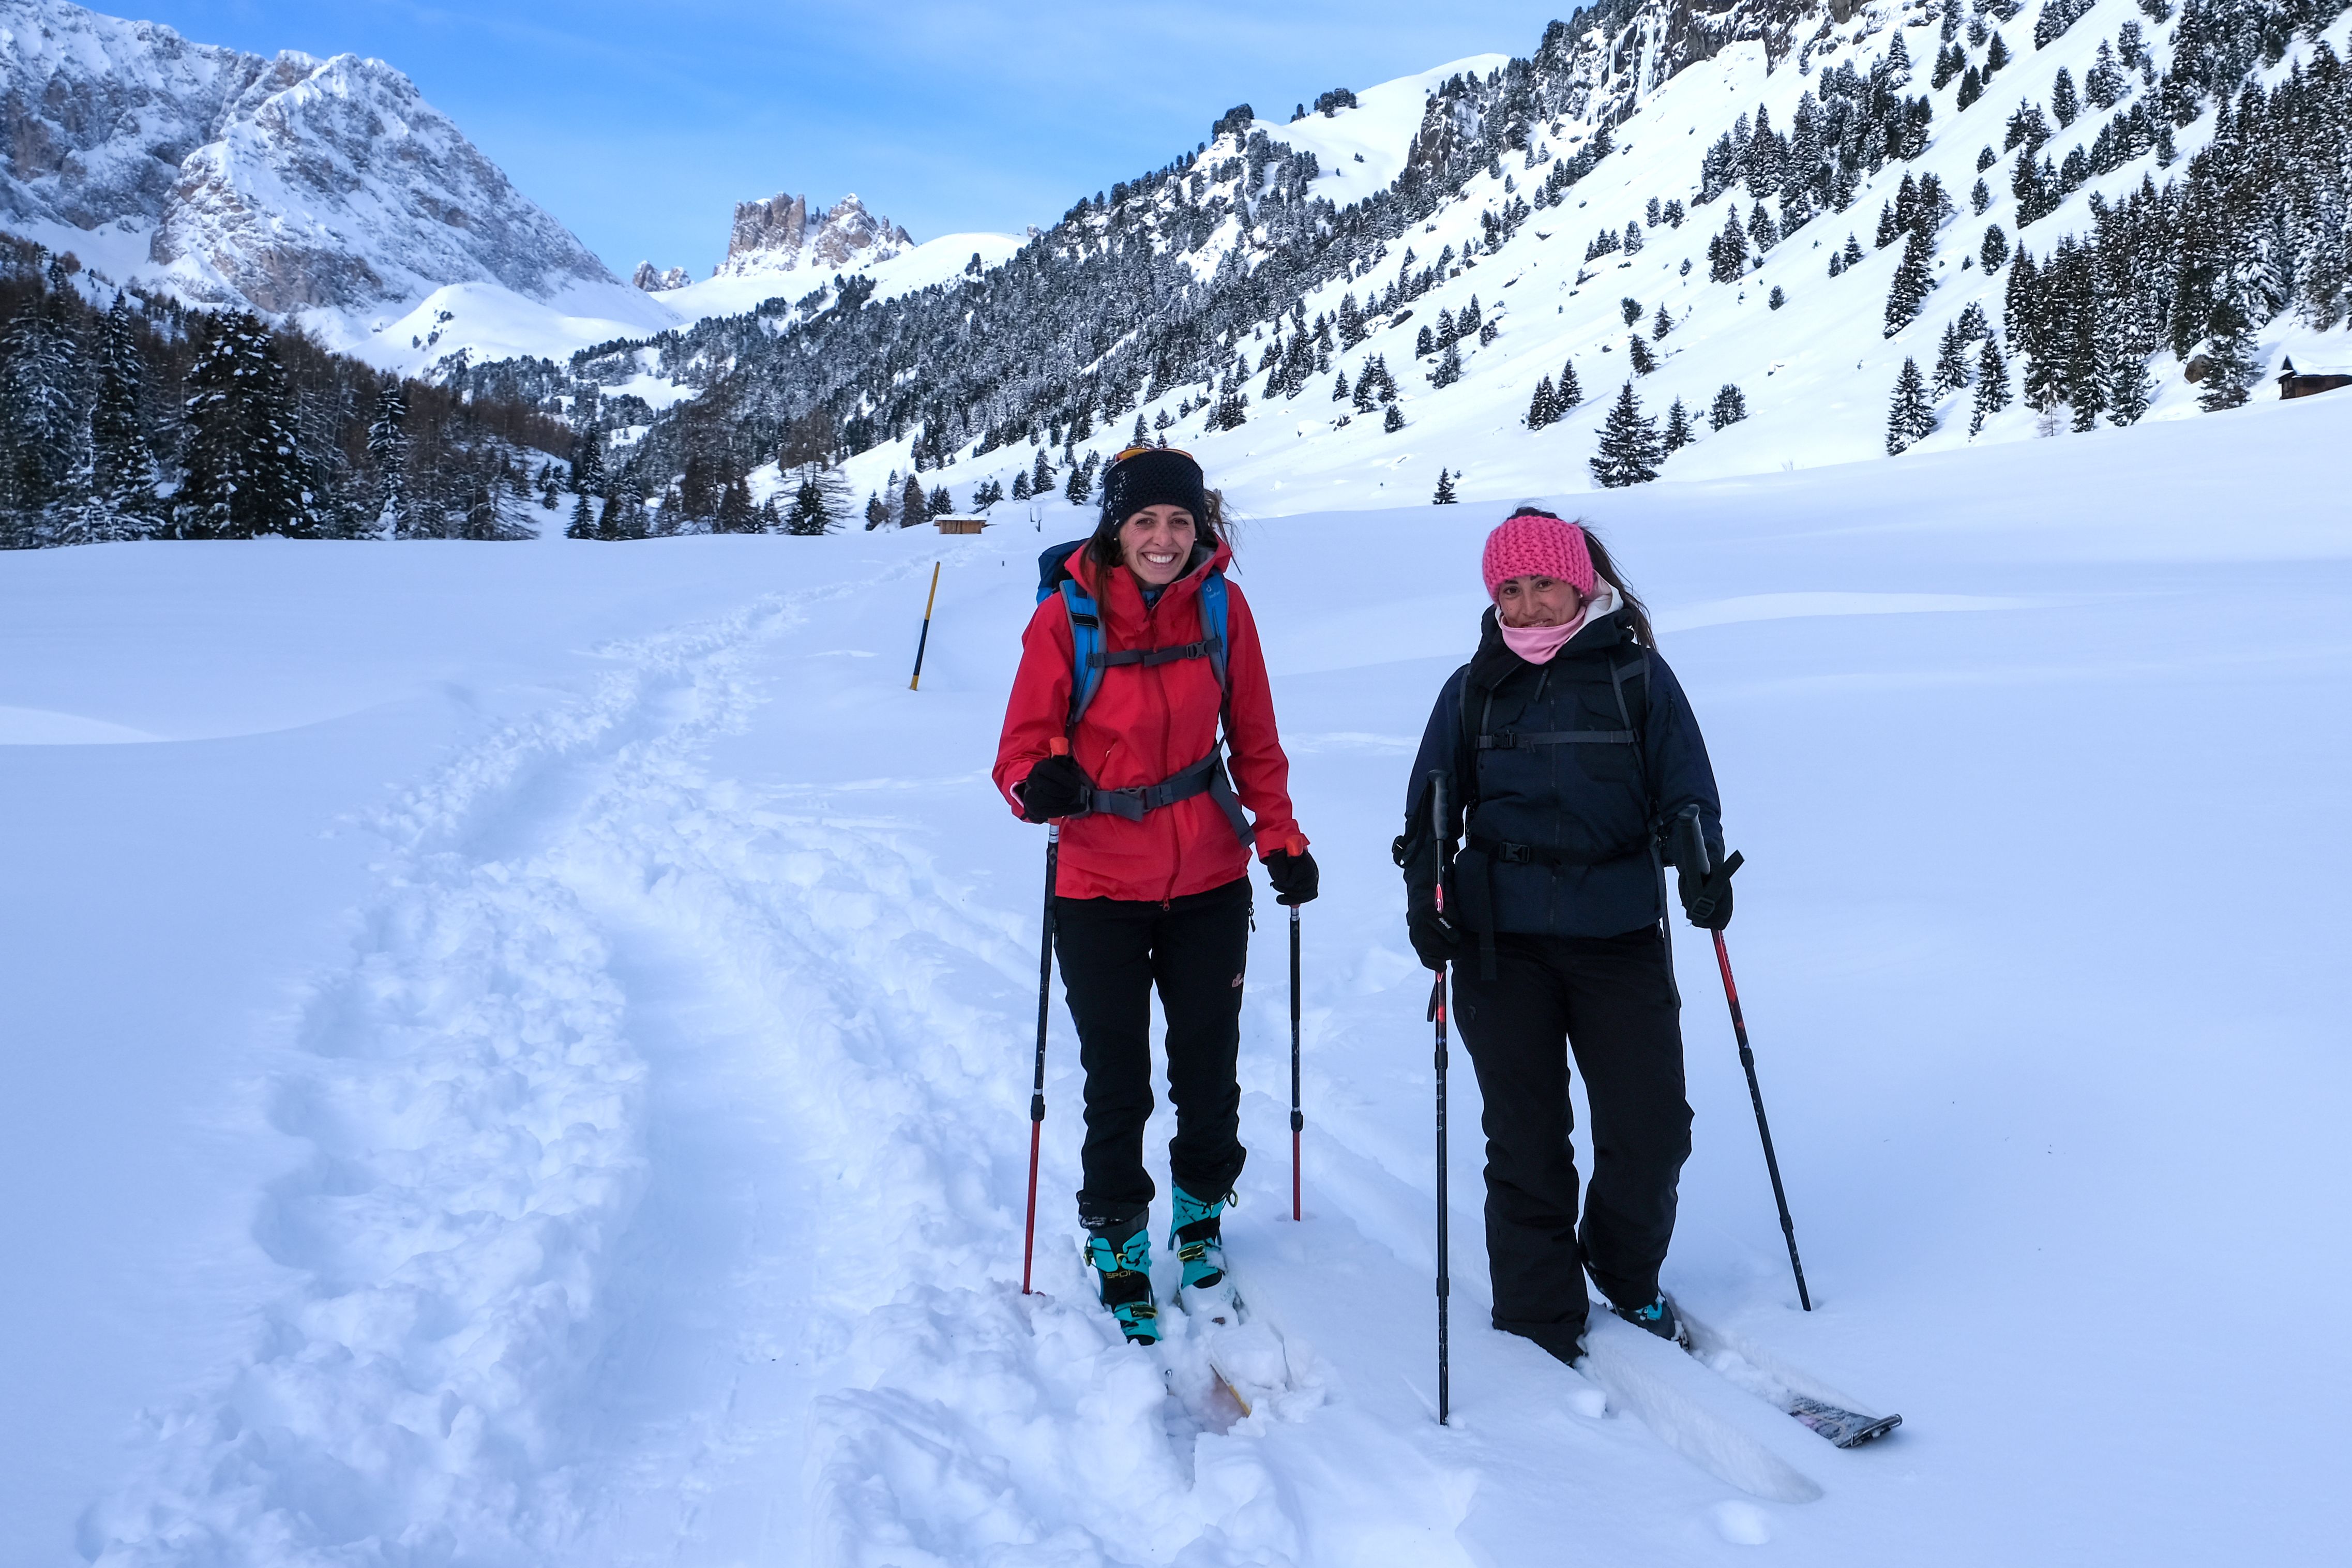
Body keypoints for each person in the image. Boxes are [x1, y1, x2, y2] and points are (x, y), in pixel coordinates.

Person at [1394, 507, 1738, 1365]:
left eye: (1543, 582)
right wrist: (1423, 898)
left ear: (1581, 581)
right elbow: (1431, 811)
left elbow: (1687, 790)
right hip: (1497, 942)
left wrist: (1697, 862)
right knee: (1525, 1135)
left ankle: (1625, 1276)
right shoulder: (1472, 687)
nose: (1529, 604)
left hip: (1618, 930)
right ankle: (1539, 1316)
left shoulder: (1640, 679)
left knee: (1654, 1128)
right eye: (1509, 588)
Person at [994, 446, 1317, 1344]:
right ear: (1116, 528)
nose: (1164, 540)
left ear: (1199, 527)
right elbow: (1018, 749)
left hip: (1211, 876)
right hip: (1100, 883)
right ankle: (1117, 1233)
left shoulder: (1222, 606)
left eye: (1180, 522)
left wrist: (1280, 836)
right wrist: (1037, 786)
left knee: (1209, 1067)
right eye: (1146, 522)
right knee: (1118, 1078)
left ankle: (1199, 1217)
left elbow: (1255, 740)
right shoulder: (1067, 620)